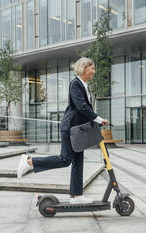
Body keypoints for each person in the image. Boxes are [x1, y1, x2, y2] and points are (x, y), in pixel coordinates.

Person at [17, 57, 110, 204]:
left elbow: (84, 109)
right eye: (92, 68)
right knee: (65, 159)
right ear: (84, 68)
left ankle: (77, 196)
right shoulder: (75, 84)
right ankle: (29, 162)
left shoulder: (84, 85)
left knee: (78, 161)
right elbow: (81, 106)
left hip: (78, 130)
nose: (94, 71)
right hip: (70, 128)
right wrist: (98, 119)